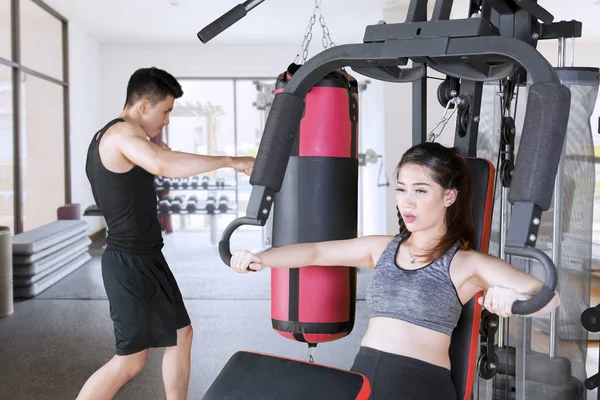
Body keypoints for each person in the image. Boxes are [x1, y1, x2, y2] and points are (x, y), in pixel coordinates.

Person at [229, 142, 560, 400]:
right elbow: (317, 251)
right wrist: (261, 258)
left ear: (448, 196)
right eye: (401, 189)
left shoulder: (467, 263)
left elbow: (549, 298)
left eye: (420, 190)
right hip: (362, 375)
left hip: (418, 384)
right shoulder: (383, 248)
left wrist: (512, 298)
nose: (407, 202)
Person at [80, 66, 255, 400]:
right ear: (142, 105)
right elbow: (163, 164)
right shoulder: (119, 136)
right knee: (129, 363)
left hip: (147, 257)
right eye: (166, 111)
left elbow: (167, 157)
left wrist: (231, 162)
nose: (167, 120)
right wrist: (231, 160)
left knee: (181, 334)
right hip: (128, 263)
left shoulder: (130, 139)